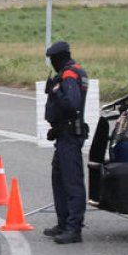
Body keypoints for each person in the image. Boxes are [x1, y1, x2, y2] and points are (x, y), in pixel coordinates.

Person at [44, 41, 90, 244]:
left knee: (71, 182)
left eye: (52, 59)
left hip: (69, 135)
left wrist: (55, 91)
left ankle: (74, 228)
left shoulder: (70, 74)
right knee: (59, 178)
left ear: (58, 57)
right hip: (63, 134)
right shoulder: (73, 71)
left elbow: (71, 105)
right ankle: (63, 223)